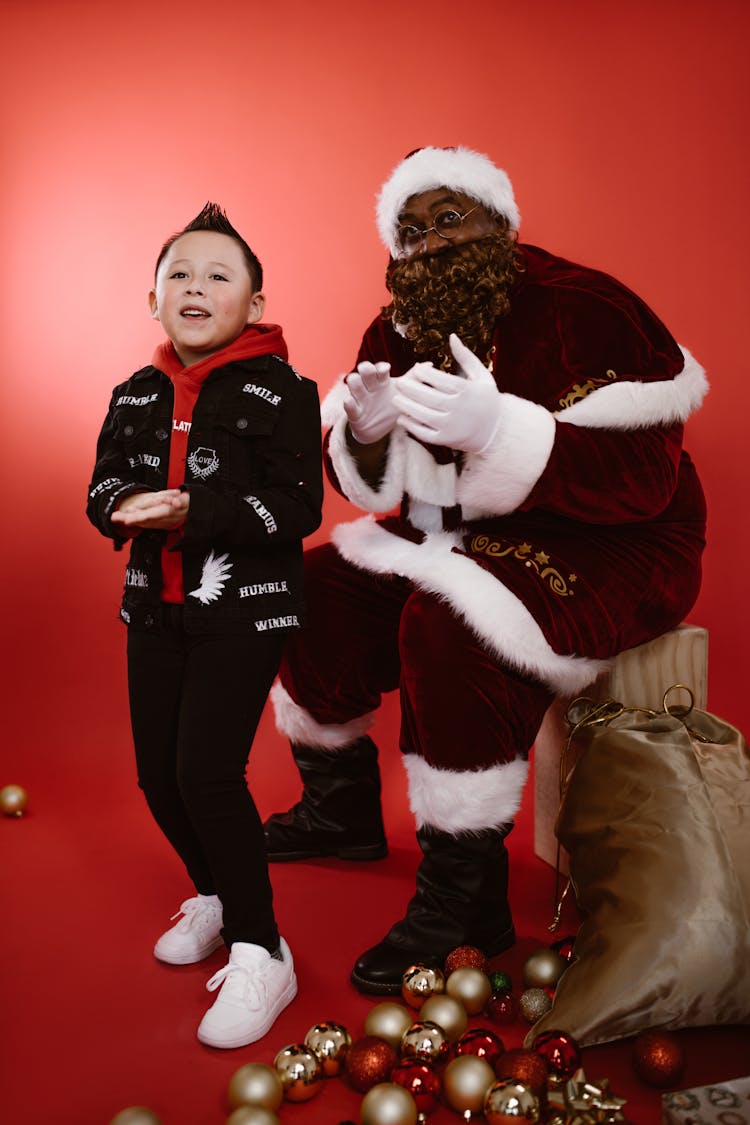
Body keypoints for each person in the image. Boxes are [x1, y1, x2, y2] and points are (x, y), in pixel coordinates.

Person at [263, 145, 708, 995]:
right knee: (311, 592)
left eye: (448, 216)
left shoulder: (589, 306)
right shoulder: (395, 327)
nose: (429, 241)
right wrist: (361, 437)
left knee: (452, 620)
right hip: (455, 534)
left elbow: (645, 481)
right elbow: (390, 489)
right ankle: (340, 809)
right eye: (411, 228)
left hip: (613, 543)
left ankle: (466, 903)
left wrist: (502, 433)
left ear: (499, 221)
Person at [87, 203, 323, 1046]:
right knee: (157, 775)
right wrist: (123, 506)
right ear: (153, 298)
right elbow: (100, 488)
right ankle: (217, 896)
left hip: (243, 609)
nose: (196, 285)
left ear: (255, 303)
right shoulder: (133, 394)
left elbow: (298, 506)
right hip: (154, 605)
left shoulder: (287, 392)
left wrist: (198, 508)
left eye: (219, 274)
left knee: (208, 773)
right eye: (179, 273)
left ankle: (265, 948)